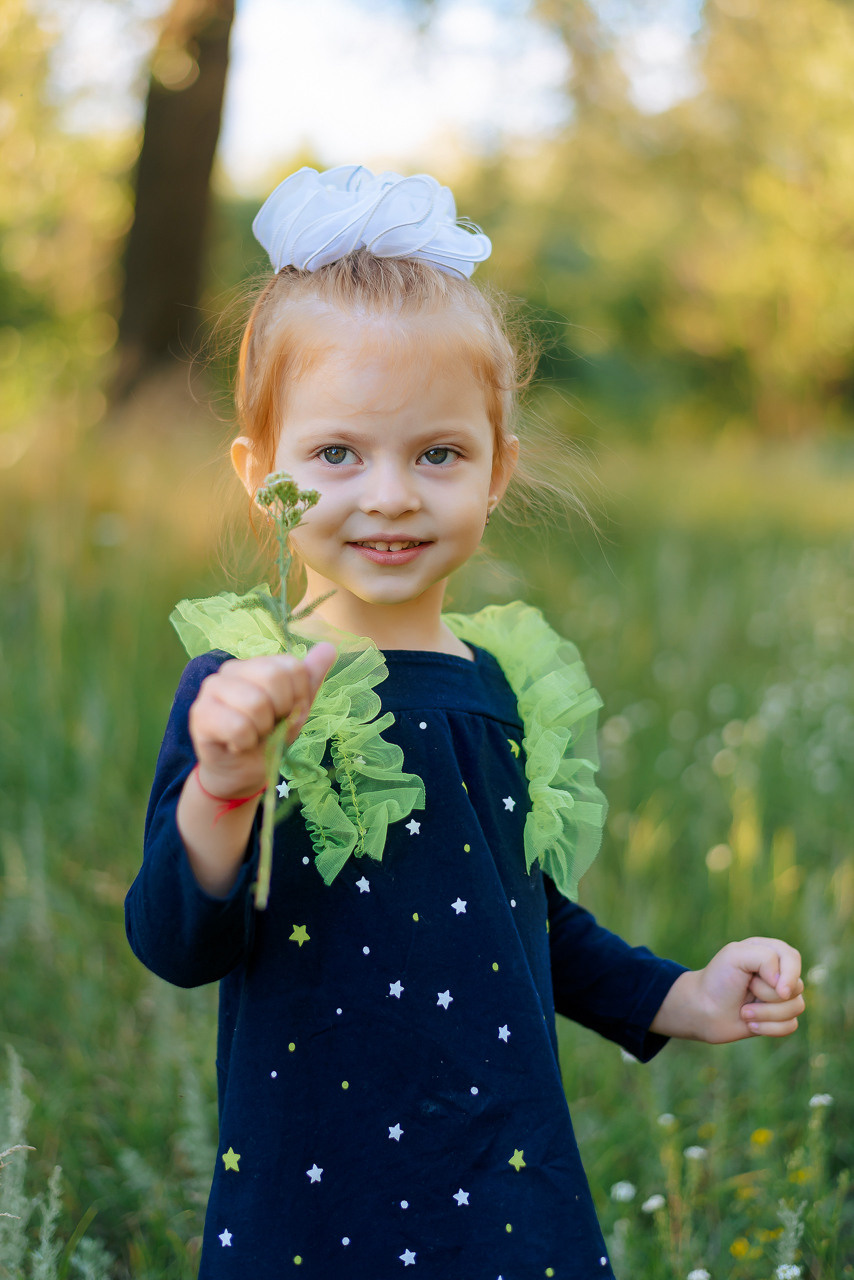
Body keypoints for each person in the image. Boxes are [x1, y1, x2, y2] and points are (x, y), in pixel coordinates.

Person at [125, 166, 805, 1279]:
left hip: (498, 1165)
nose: (389, 493)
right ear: (264, 476)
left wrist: (678, 993)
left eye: (436, 453)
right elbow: (175, 940)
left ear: (495, 475)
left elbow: (519, 915)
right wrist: (224, 785)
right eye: (337, 452)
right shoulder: (237, 686)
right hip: (315, 1178)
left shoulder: (496, 683)